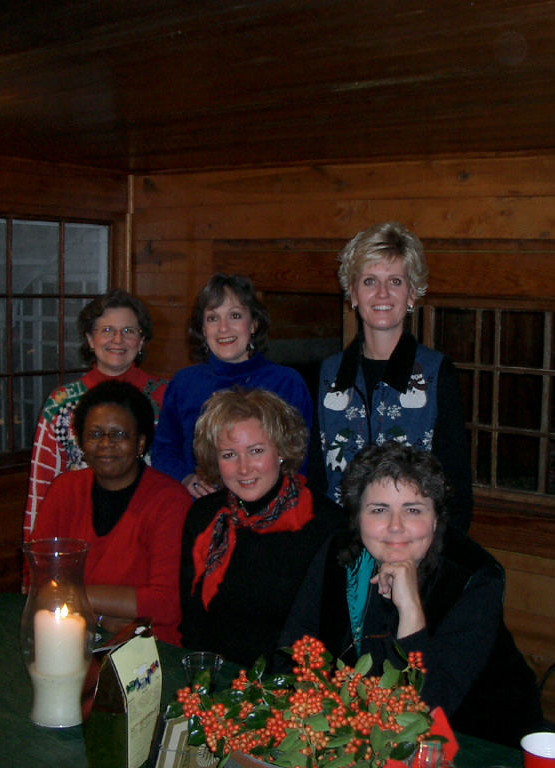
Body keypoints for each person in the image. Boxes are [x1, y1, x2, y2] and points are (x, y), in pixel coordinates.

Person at [282, 442, 541, 747]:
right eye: (379, 510)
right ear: (357, 517)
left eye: (413, 510)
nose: (396, 527)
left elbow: (425, 709)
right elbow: (294, 650)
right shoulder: (339, 555)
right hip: (363, 735)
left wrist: (410, 610)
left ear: (436, 518)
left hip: (481, 740)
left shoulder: (473, 578)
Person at [309, 222, 473, 532]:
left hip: (411, 543)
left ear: (411, 293)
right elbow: (316, 479)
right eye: (369, 281)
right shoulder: (328, 374)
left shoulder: (436, 372)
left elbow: (456, 487)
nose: (382, 293)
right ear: (353, 293)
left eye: (395, 281)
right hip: (341, 543)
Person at [179, 388, 336, 667]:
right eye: (229, 454)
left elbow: (328, 635)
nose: (243, 468)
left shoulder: (324, 524)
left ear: (281, 451)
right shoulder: (204, 516)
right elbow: (193, 621)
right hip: (213, 675)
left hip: (290, 683)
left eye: (256, 451)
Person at [31, 380, 189, 645]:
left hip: (149, 646)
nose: (105, 444)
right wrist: (100, 617)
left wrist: (70, 595)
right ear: (81, 441)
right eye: (95, 434)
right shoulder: (64, 489)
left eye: (119, 434)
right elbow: (37, 580)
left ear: (141, 442)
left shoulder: (170, 501)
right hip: (70, 635)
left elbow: (166, 603)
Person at [151, 273, 313, 498]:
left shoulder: (286, 382)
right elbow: (165, 449)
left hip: (271, 504)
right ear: (203, 329)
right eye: (212, 318)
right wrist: (185, 478)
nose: (223, 328)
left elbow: (301, 460)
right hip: (201, 504)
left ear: (253, 324)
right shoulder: (184, 383)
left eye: (235, 315)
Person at [25, 290, 168, 537]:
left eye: (128, 331)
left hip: (151, 524)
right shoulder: (61, 403)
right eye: (107, 330)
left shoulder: (165, 397)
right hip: (78, 527)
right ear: (90, 339)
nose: (117, 340)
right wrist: (37, 550)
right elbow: (41, 487)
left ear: (141, 341)